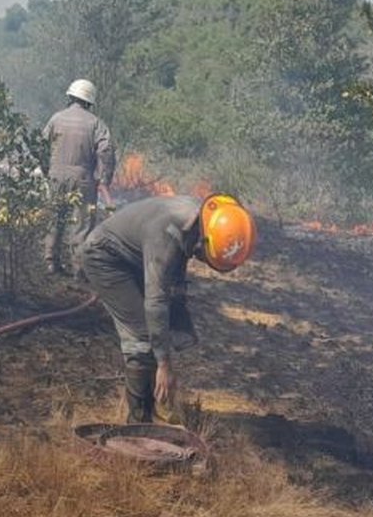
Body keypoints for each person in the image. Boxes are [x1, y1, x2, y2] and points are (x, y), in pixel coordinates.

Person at [77, 193, 255, 423]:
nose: (200, 259)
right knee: (141, 337)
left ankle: (155, 403)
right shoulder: (165, 236)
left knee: (158, 333)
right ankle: (138, 422)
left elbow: (175, 272)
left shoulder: (199, 219)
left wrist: (176, 325)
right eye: (203, 256)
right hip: (105, 258)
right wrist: (164, 364)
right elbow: (156, 301)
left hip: (134, 256)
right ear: (203, 239)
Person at [41, 78, 116, 275]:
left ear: (70, 96)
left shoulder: (56, 118)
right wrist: (104, 179)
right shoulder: (95, 123)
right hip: (83, 179)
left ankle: (50, 262)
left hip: (56, 177)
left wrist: (47, 170)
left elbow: (40, 146)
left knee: (55, 218)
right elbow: (106, 151)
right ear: (89, 101)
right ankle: (79, 269)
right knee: (82, 224)